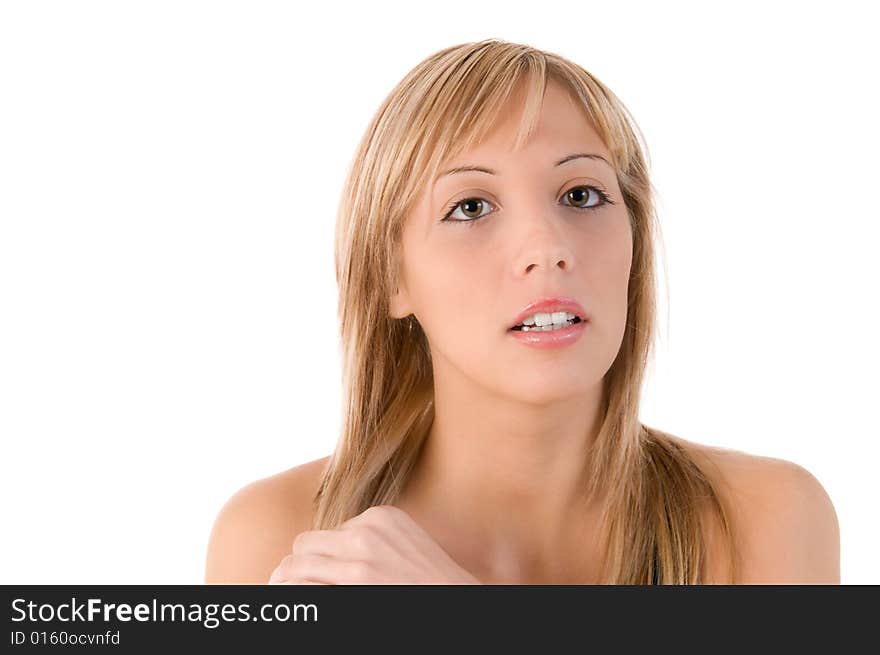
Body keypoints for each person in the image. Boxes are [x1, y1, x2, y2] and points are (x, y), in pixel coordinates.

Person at [204, 38, 840, 585]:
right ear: (391, 277)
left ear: (634, 240)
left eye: (581, 194)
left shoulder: (766, 519)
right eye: (471, 207)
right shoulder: (277, 537)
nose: (547, 249)